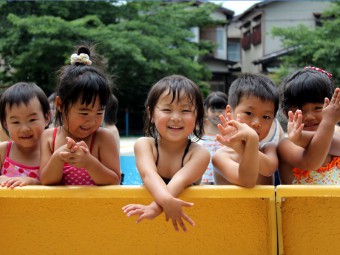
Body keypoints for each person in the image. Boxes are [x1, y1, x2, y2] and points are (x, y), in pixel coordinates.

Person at [122, 75, 210, 232]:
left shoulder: (199, 154)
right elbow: (149, 175)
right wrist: (165, 203)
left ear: (197, 117)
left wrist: (155, 208)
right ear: (151, 114)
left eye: (185, 110)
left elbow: (180, 181)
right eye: (167, 109)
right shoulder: (145, 145)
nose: (176, 118)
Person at [39, 45, 121, 185]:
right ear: (60, 105)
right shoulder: (48, 138)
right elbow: (46, 181)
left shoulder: (103, 138)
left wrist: (89, 163)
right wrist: (58, 158)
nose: (92, 120)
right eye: (84, 112)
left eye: (99, 112)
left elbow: (114, 181)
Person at [212, 73, 279, 187]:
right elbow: (247, 181)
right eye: (249, 113)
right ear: (229, 112)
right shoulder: (221, 156)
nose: (257, 123)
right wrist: (251, 139)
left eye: (266, 117)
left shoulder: (268, 148)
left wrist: (243, 147)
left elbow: (268, 170)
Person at [277, 67, 340, 184]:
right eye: (300, 110)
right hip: (300, 203)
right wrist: (328, 122)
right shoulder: (285, 145)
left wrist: (300, 138)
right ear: (287, 113)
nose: (309, 116)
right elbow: (311, 162)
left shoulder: (336, 133)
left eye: (318, 108)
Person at [0, 82, 51, 188]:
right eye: (15, 122)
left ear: (47, 118)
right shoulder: (3, 151)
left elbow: (60, 185)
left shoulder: (52, 152)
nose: (24, 129)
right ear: (6, 124)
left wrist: (33, 182)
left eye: (32, 120)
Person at [198, 91, 228, 185]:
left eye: (220, 110)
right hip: (203, 175)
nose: (217, 114)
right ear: (206, 110)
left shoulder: (229, 127)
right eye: (213, 111)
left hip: (224, 175)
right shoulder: (200, 126)